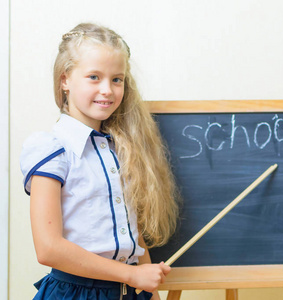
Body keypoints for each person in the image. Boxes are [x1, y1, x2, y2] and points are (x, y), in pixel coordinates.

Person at [20, 23, 180, 300]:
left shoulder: (122, 149)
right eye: (94, 77)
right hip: (77, 293)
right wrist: (131, 275)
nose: (107, 89)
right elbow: (48, 248)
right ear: (65, 79)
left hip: (130, 291)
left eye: (117, 79)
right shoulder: (52, 149)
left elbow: (133, 235)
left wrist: (148, 289)